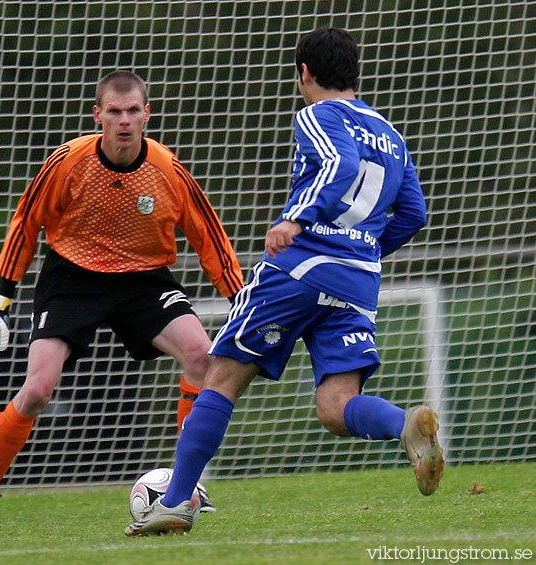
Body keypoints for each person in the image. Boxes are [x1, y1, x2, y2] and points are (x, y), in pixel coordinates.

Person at [125, 27, 443, 537]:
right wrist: (362, 249)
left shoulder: (318, 114)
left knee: (222, 378)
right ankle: (402, 425)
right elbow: (414, 212)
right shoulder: (390, 133)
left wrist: (298, 218)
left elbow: (338, 164)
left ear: (305, 73)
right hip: (358, 281)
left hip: (300, 266)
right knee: (336, 409)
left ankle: (177, 501)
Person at [0, 70, 243, 524]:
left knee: (201, 356)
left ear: (147, 115)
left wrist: (238, 295)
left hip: (143, 278)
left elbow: (208, 236)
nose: (124, 121)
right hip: (72, 277)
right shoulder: (68, 161)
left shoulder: (168, 170)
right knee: (37, 390)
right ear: (98, 115)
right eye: (114, 112)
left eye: (133, 111)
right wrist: (2, 299)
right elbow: (26, 222)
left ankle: (184, 487)